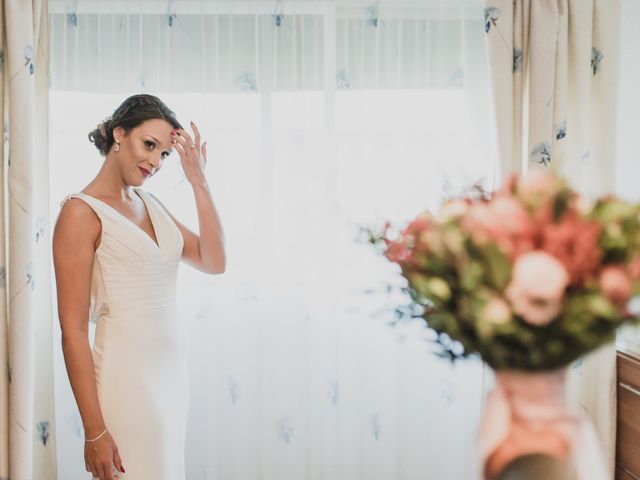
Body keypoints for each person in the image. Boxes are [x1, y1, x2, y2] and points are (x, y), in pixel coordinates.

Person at [52, 94, 226, 480]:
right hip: (125, 383)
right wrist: (94, 431)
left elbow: (215, 262)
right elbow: (74, 332)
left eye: (165, 154)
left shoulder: (152, 204)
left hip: (170, 379)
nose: (155, 162)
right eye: (149, 145)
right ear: (119, 134)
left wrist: (198, 182)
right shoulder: (80, 213)